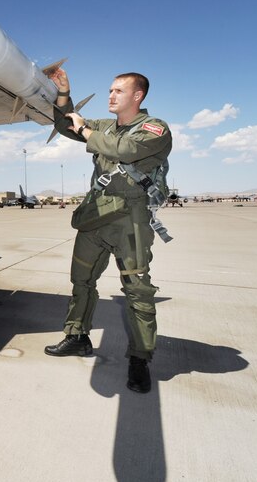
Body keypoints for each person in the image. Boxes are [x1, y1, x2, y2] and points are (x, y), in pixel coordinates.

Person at [44, 69, 172, 394]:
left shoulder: (154, 129)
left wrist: (85, 128)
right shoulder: (102, 126)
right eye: (110, 90)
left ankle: (140, 359)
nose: (111, 96)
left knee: (137, 292)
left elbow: (123, 150)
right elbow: (64, 124)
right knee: (81, 281)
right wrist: (63, 93)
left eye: (118, 91)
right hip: (96, 215)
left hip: (131, 219)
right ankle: (77, 336)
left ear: (137, 96)